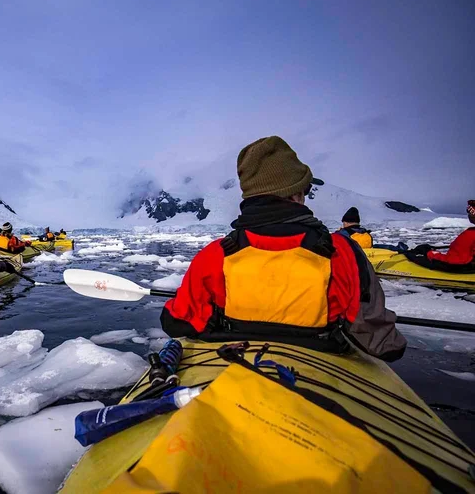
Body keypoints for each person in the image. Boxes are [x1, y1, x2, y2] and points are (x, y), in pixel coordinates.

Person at [160, 136, 406, 361]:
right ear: (296, 193)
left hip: (236, 366)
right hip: (322, 370)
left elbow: (178, 322)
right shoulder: (342, 253)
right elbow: (384, 344)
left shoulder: (217, 254)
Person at [410, 200, 475, 269]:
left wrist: (429, 253)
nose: (468, 214)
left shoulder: (470, 234)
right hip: (464, 263)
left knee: (414, 258)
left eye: (470, 211)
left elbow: (455, 260)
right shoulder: (471, 232)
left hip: (459, 266)